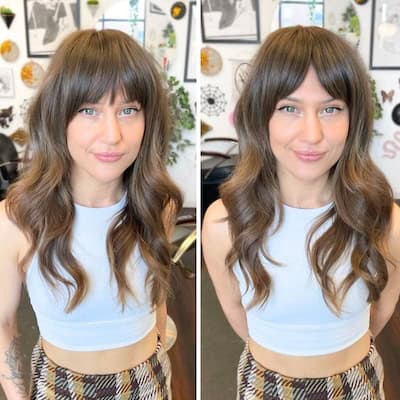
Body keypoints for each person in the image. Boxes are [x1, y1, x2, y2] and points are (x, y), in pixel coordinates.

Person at [202, 25, 400, 399]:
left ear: (353, 118)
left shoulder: (384, 219)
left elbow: (381, 309)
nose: (311, 134)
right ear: (261, 116)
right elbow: (237, 313)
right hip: (264, 385)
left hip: (357, 382)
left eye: (331, 109)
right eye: (289, 108)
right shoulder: (222, 224)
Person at [0, 29, 182, 399]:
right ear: (58, 117)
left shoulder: (158, 204)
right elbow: (1, 322)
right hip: (60, 386)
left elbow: (155, 285)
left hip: (149, 378)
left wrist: (159, 333)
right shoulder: (18, 218)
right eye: (89, 110)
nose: (112, 134)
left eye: (128, 110)